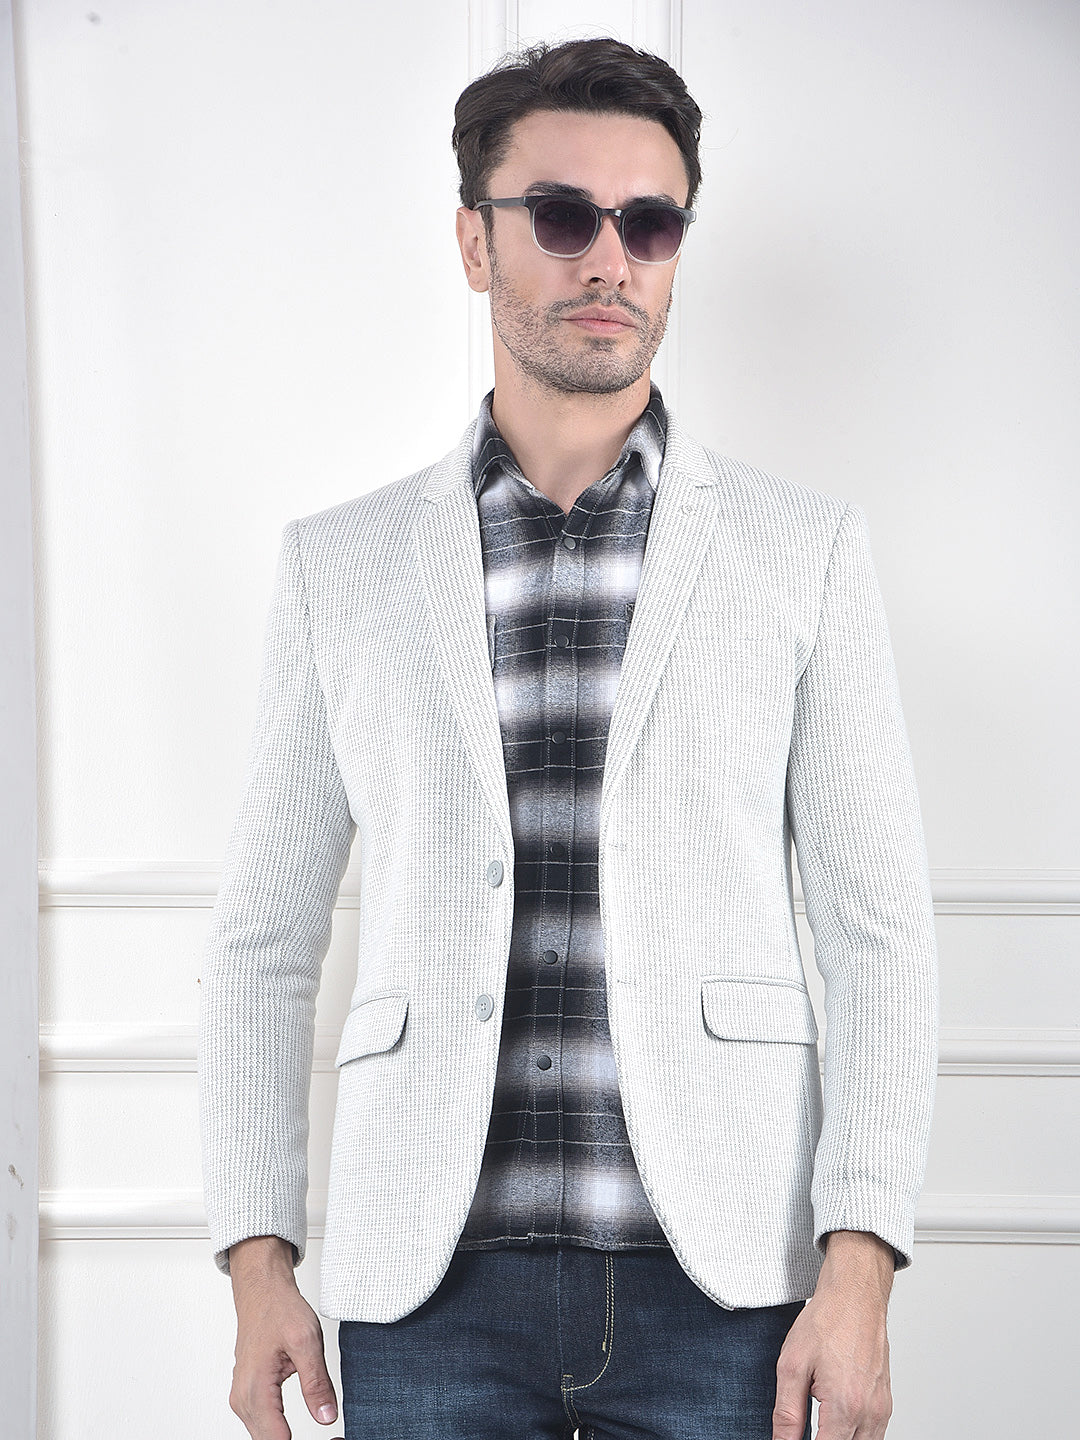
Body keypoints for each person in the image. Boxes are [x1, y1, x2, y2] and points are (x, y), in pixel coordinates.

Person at [198, 35, 937, 1440]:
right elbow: (262, 942)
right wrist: (257, 1258)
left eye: (650, 223)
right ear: (474, 242)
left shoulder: (801, 554)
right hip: (428, 1289)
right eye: (562, 216)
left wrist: (862, 1267)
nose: (611, 259)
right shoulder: (343, 568)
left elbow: (878, 932)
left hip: (724, 1287)